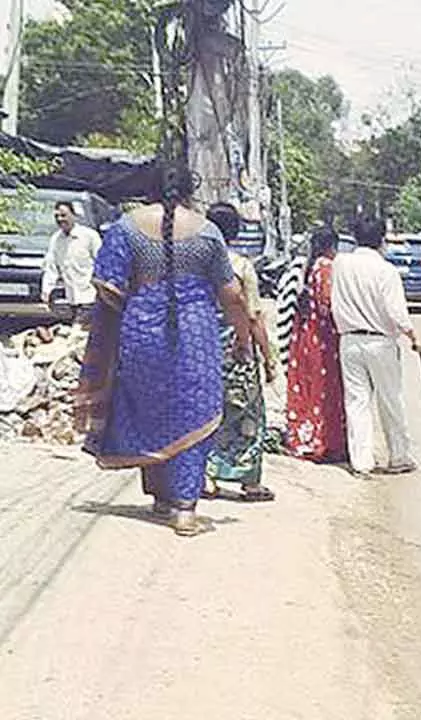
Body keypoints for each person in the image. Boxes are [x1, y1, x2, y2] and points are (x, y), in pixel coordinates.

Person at [74, 163, 253, 537]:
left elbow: (108, 288)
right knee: (196, 414)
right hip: (196, 337)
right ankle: (184, 509)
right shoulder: (208, 233)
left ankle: (160, 497)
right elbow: (232, 295)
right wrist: (243, 337)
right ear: (190, 189)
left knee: (149, 408)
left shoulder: (125, 227)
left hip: (139, 332)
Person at [332, 217, 421, 477]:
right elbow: (396, 312)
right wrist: (414, 337)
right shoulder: (385, 270)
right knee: (390, 400)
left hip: (349, 341)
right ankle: (398, 456)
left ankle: (361, 462)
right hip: (380, 341)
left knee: (356, 402)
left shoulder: (341, 264)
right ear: (382, 239)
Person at [203, 202, 278, 502]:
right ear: (235, 232)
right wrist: (268, 357)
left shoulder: (195, 262)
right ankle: (248, 481)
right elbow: (253, 316)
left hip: (201, 348)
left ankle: (207, 475)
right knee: (248, 414)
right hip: (237, 349)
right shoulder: (241, 266)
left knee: (207, 413)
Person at [286, 226, 348, 463]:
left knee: (310, 385)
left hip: (307, 335)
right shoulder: (325, 267)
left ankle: (307, 435)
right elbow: (326, 304)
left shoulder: (308, 266)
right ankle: (326, 441)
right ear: (333, 245)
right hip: (323, 337)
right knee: (326, 389)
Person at [42, 200, 102, 326]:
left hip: (89, 297)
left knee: (78, 331)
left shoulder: (89, 236)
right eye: (57, 216)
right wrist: (47, 290)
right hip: (70, 299)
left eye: (63, 215)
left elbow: (102, 263)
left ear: (73, 215)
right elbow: (51, 267)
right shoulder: (56, 239)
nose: (60, 219)